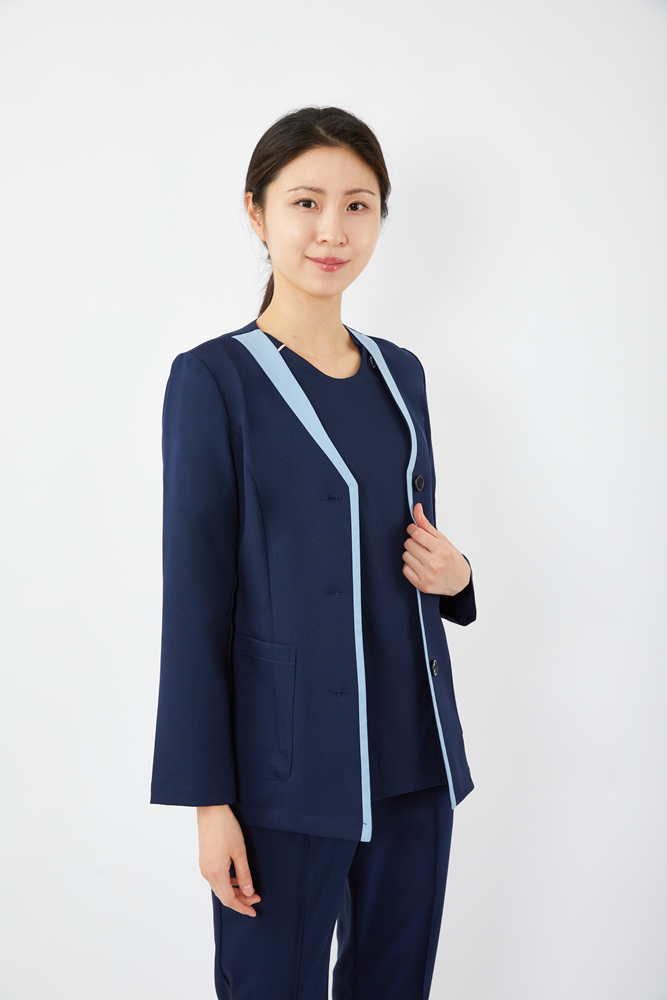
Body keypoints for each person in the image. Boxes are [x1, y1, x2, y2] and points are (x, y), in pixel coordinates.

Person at [150, 105, 477, 999]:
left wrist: (458, 580)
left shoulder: (399, 373)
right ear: (255, 212)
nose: (331, 230)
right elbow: (195, 600)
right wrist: (209, 802)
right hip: (284, 774)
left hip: (412, 762)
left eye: (357, 205)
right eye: (305, 202)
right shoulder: (214, 380)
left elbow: (411, 543)